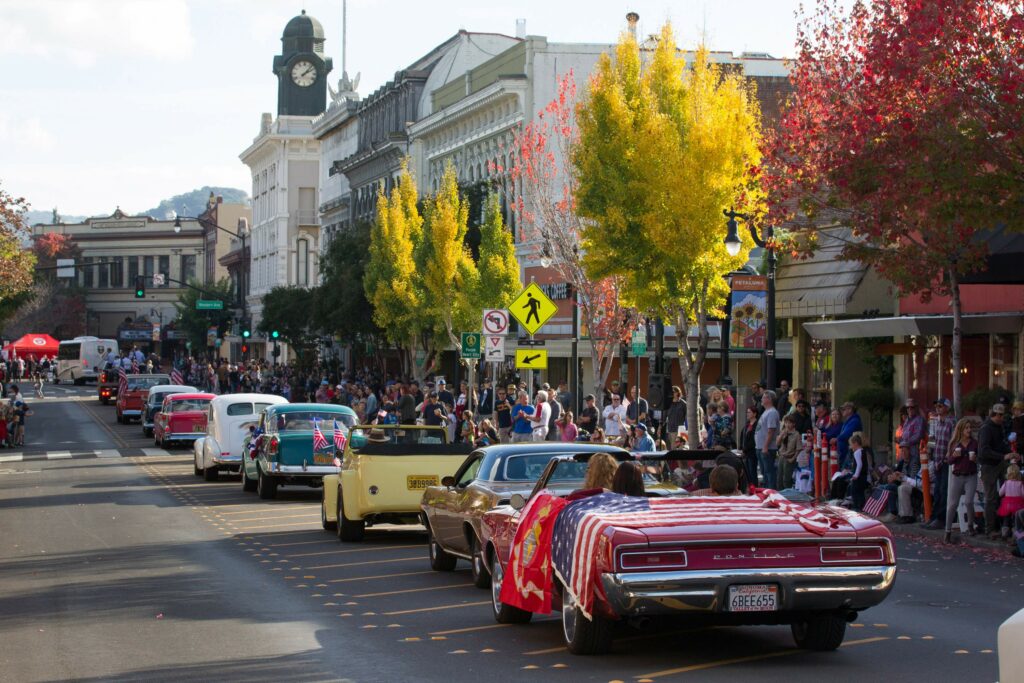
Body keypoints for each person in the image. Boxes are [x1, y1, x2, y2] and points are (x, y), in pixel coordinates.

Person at [922, 398, 956, 530]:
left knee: (943, 490)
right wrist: (930, 454)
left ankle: (941, 519)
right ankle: (934, 517)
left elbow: (953, 442)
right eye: (937, 406)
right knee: (936, 491)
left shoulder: (951, 422)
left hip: (946, 461)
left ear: (947, 407)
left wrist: (946, 458)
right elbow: (933, 440)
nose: (938, 408)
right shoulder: (935, 422)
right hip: (937, 460)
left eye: (941, 406)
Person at [979, 403, 1012, 539]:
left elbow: (1001, 445)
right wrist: (1003, 456)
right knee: (991, 497)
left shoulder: (1000, 427)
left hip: (999, 463)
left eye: (1001, 415)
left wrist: (1010, 452)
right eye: (997, 414)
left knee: (1006, 493)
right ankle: (990, 529)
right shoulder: (986, 428)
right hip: (989, 465)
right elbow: (984, 451)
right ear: (993, 414)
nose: (999, 417)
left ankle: (1003, 526)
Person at [945, 417, 979, 542]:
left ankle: (970, 525)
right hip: (958, 475)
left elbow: (979, 459)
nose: (969, 430)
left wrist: (975, 459)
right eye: (966, 428)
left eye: (970, 428)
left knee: (969, 501)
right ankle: (947, 531)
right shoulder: (955, 443)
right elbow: (948, 461)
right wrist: (954, 456)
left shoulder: (974, 443)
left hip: (971, 474)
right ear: (961, 429)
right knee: (952, 504)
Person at [754, 391, 780, 489]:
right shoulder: (766, 411)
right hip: (760, 447)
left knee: (769, 472)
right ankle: (766, 491)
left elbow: (771, 430)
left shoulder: (772, 412)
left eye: (763, 397)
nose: (761, 399)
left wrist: (765, 447)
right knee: (764, 473)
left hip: (767, 448)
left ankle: (771, 492)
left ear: (769, 399)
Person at [899, 398, 925, 477]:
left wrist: (905, 443)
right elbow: (903, 435)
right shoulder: (906, 420)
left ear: (916, 408)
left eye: (912, 407)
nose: (910, 409)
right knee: (905, 475)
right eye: (908, 407)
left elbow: (918, 436)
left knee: (913, 477)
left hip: (914, 453)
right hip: (905, 454)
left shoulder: (919, 420)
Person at [998, 465, 1024, 539]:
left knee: (1006, 518)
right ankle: (1015, 535)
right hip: (1018, 505)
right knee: (1015, 521)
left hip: (1007, 504)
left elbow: (1000, 493)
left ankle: (1004, 533)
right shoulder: (1020, 483)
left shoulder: (1006, 483)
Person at [776, 414, 801, 490]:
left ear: (793, 424)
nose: (787, 425)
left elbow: (798, 449)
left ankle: (788, 495)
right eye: (786, 423)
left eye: (790, 423)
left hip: (789, 457)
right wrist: (781, 435)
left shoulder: (796, 434)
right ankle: (780, 494)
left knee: (786, 479)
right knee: (779, 478)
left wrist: (793, 458)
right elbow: (777, 443)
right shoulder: (783, 432)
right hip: (782, 457)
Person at [837, 402, 863, 470]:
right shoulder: (849, 421)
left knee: (847, 471)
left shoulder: (854, 421)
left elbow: (846, 434)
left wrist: (836, 439)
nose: (841, 411)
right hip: (844, 452)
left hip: (849, 452)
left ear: (850, 410)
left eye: (843, 409)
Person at [848, 432, 869, 510]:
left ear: (856, 443)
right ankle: (862, 506)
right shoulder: (862, 451)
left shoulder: (857, 452)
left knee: (854, 491)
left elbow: (859, 464)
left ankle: (856, 506)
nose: (851, 446)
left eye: (852, 444)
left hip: (858, 477)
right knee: (861, 492)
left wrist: (856, 475)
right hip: (863, 475)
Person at [740, 406, 759, 488]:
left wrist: (746, 449)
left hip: (752, 452)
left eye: (749, 412)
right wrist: (741, 448)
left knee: (752, 471)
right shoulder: (747, 425)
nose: (747, 414)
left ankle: (755, 487)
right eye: (747, 412)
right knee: (747, 472)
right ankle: (749, 487)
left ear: (754, 414)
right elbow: (742, 436)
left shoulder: (757, 425)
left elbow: (754, 439)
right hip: (746, 452)